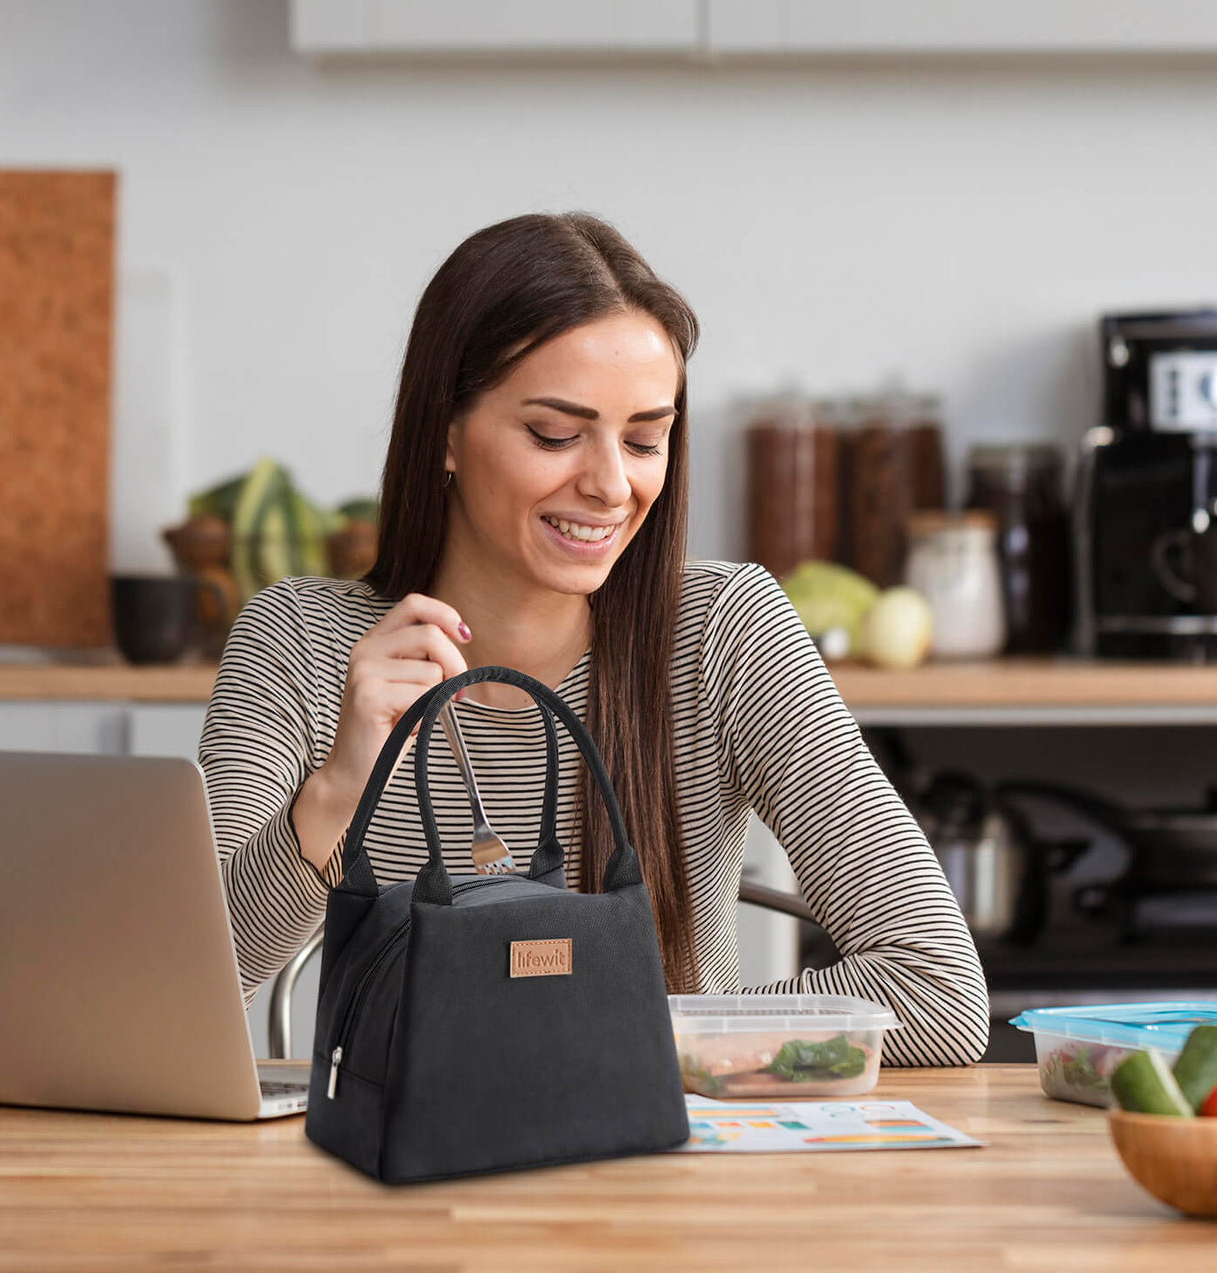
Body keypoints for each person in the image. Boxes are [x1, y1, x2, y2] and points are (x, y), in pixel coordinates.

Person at [200, 211, 989, 1067]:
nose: (612, 485)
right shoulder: (301, 643)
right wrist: (335, 797)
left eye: (646, 438)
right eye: (556, 434)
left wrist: (596, 1032)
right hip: (395, 1185)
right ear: (446, 433)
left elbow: (938, 991)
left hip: (667, 1176)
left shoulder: (725, 632)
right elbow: (186, 993)